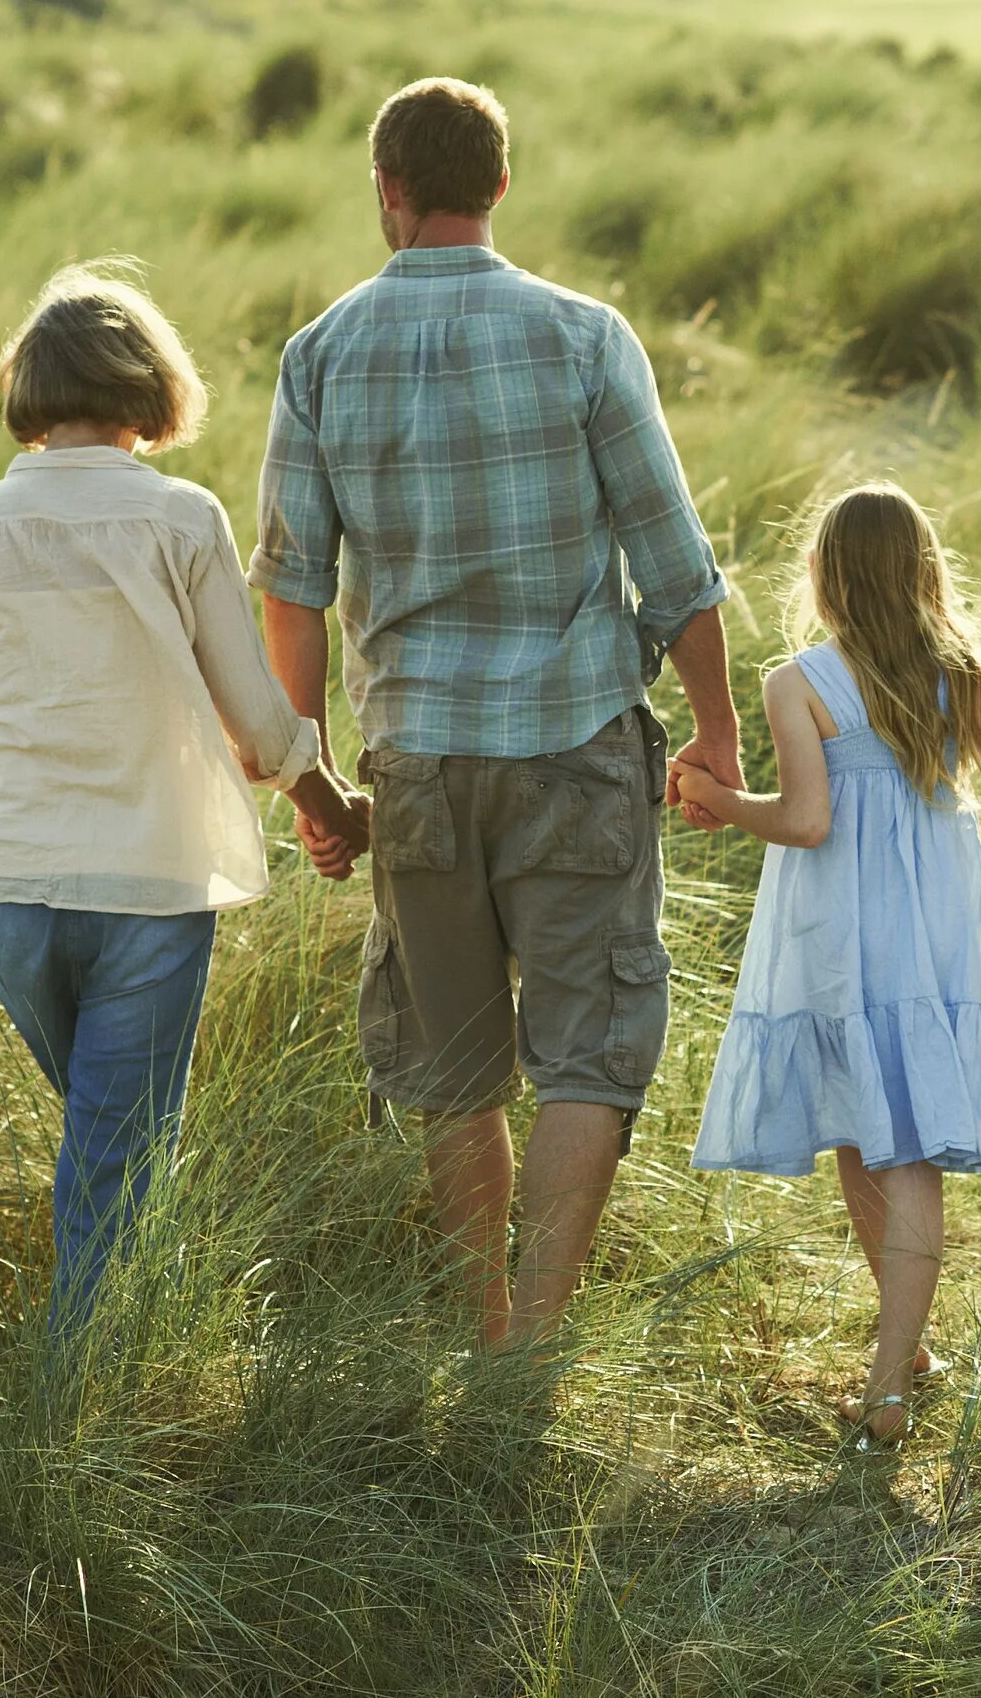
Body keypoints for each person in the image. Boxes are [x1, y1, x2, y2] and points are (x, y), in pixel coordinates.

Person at [250, 77, 736, 1349]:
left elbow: (290, 597)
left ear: (387, 192)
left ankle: (480, 1322)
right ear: (502, 186)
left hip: (416, 764)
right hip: (577, 745)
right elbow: (674, 564)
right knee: (586, 1050)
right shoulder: (586, 336)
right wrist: (719, 728)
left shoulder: (319, 355)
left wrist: (312, 784)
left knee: (454, 1063)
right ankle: (537, 1329)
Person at [0, 263, 366, 1329]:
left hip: (7, 886)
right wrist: (330, 802)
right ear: (150, 386)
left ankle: (114, 1351)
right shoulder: (180, 518)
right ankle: (82, 1392)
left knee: (104, 1131)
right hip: (145, 881)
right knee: (118, 1147)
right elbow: (257, 719)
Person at [682, 485, 981, 1451]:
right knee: (874, 1131)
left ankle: (888, 1391)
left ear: (823, 576)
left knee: (889, 1142)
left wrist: (713, 799)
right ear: (924, 570)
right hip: (932, 923)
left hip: (846, 923)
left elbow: (807, 821)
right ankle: (913, 1354)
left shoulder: (799, 679)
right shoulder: (960, 672)